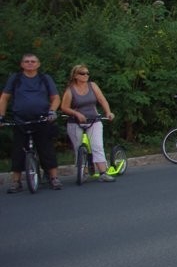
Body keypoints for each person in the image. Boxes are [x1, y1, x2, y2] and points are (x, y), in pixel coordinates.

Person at [0, 53, 62, 192]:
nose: (30, 64)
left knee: (46, 149)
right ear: (22, 64)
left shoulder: (45, 79)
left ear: (38, 64)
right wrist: (1, 116)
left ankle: (54, 178)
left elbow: (56, 98)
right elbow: (4, 98)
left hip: (42, 119)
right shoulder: (15, 79)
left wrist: (52, 111)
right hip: (20, 120)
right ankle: (16, 182)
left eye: (33, 61)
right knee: (18, 151)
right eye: (26, 61)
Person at [60, 64, 116, 182]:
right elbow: (64, 107)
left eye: (87, 73)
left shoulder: (92, 86)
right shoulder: (70, 90)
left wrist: (108, 112)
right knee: (78, 147)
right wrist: (77, 114)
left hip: (93, 119)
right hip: (75, 122)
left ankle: (102, 172)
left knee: (97, 145)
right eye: (82, 73)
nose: (86, 75)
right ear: (75, 75)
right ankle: (82, 173)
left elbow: (102, 99)